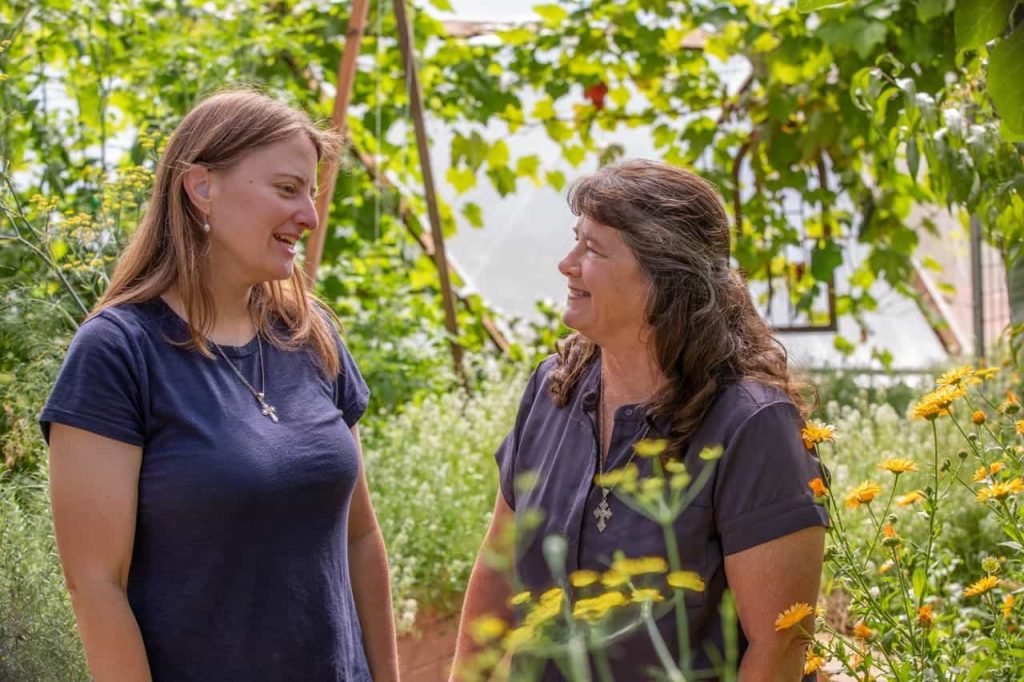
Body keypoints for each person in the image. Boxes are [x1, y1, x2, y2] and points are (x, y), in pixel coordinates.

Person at [42, 90, 398, 682]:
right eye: (287, 189)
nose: (309, 215)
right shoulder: (118, 352)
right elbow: (96, 585)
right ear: (202, 187)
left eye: (311, 192)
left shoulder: (310, 334)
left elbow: (360, 537)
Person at [453, 159, 828, 681]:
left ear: (665, 280)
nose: (567, 262)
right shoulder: (552, 389)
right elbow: (497, 575)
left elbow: (780, 645)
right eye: (574, 239)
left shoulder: (751, 424)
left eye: (594, 248)